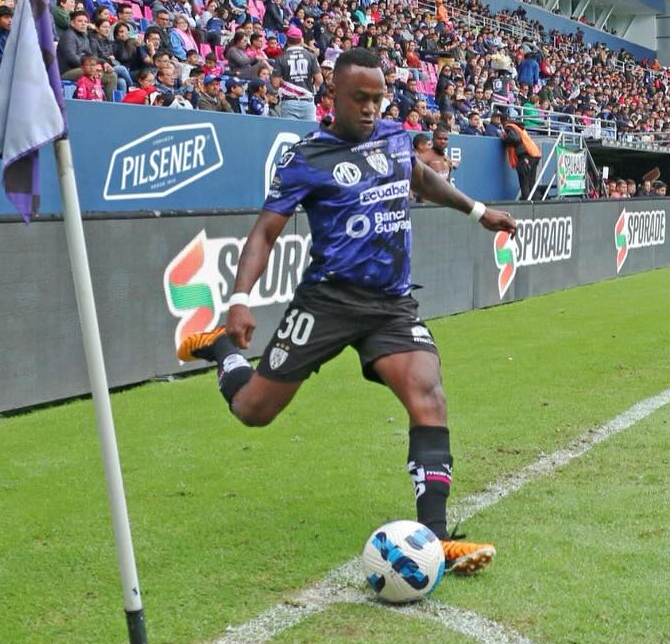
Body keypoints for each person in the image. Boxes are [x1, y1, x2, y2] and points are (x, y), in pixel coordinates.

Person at [175, 48, 516, 575]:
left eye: (379, 97)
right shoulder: (305, 158)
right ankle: (220, 348)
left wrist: (477, 211)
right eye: (360, 98)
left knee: (429, 395)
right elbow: (265, 232)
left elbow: (421, 180)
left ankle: (438, 540)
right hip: (328, 301)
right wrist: (239, 300)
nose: (371, 108)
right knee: (253, 411)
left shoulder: (397, 138)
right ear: (331, 95)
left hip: (390, 304)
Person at [500, 113, 541, 200]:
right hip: (535, 153)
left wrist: (504, 139)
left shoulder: (509, 126)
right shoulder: (518, 127)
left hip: (525, 155)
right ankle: (533, 202)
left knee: (524, 180)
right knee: (531, 181)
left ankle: (526, 202)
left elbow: (514, 139)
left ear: (503, 122)